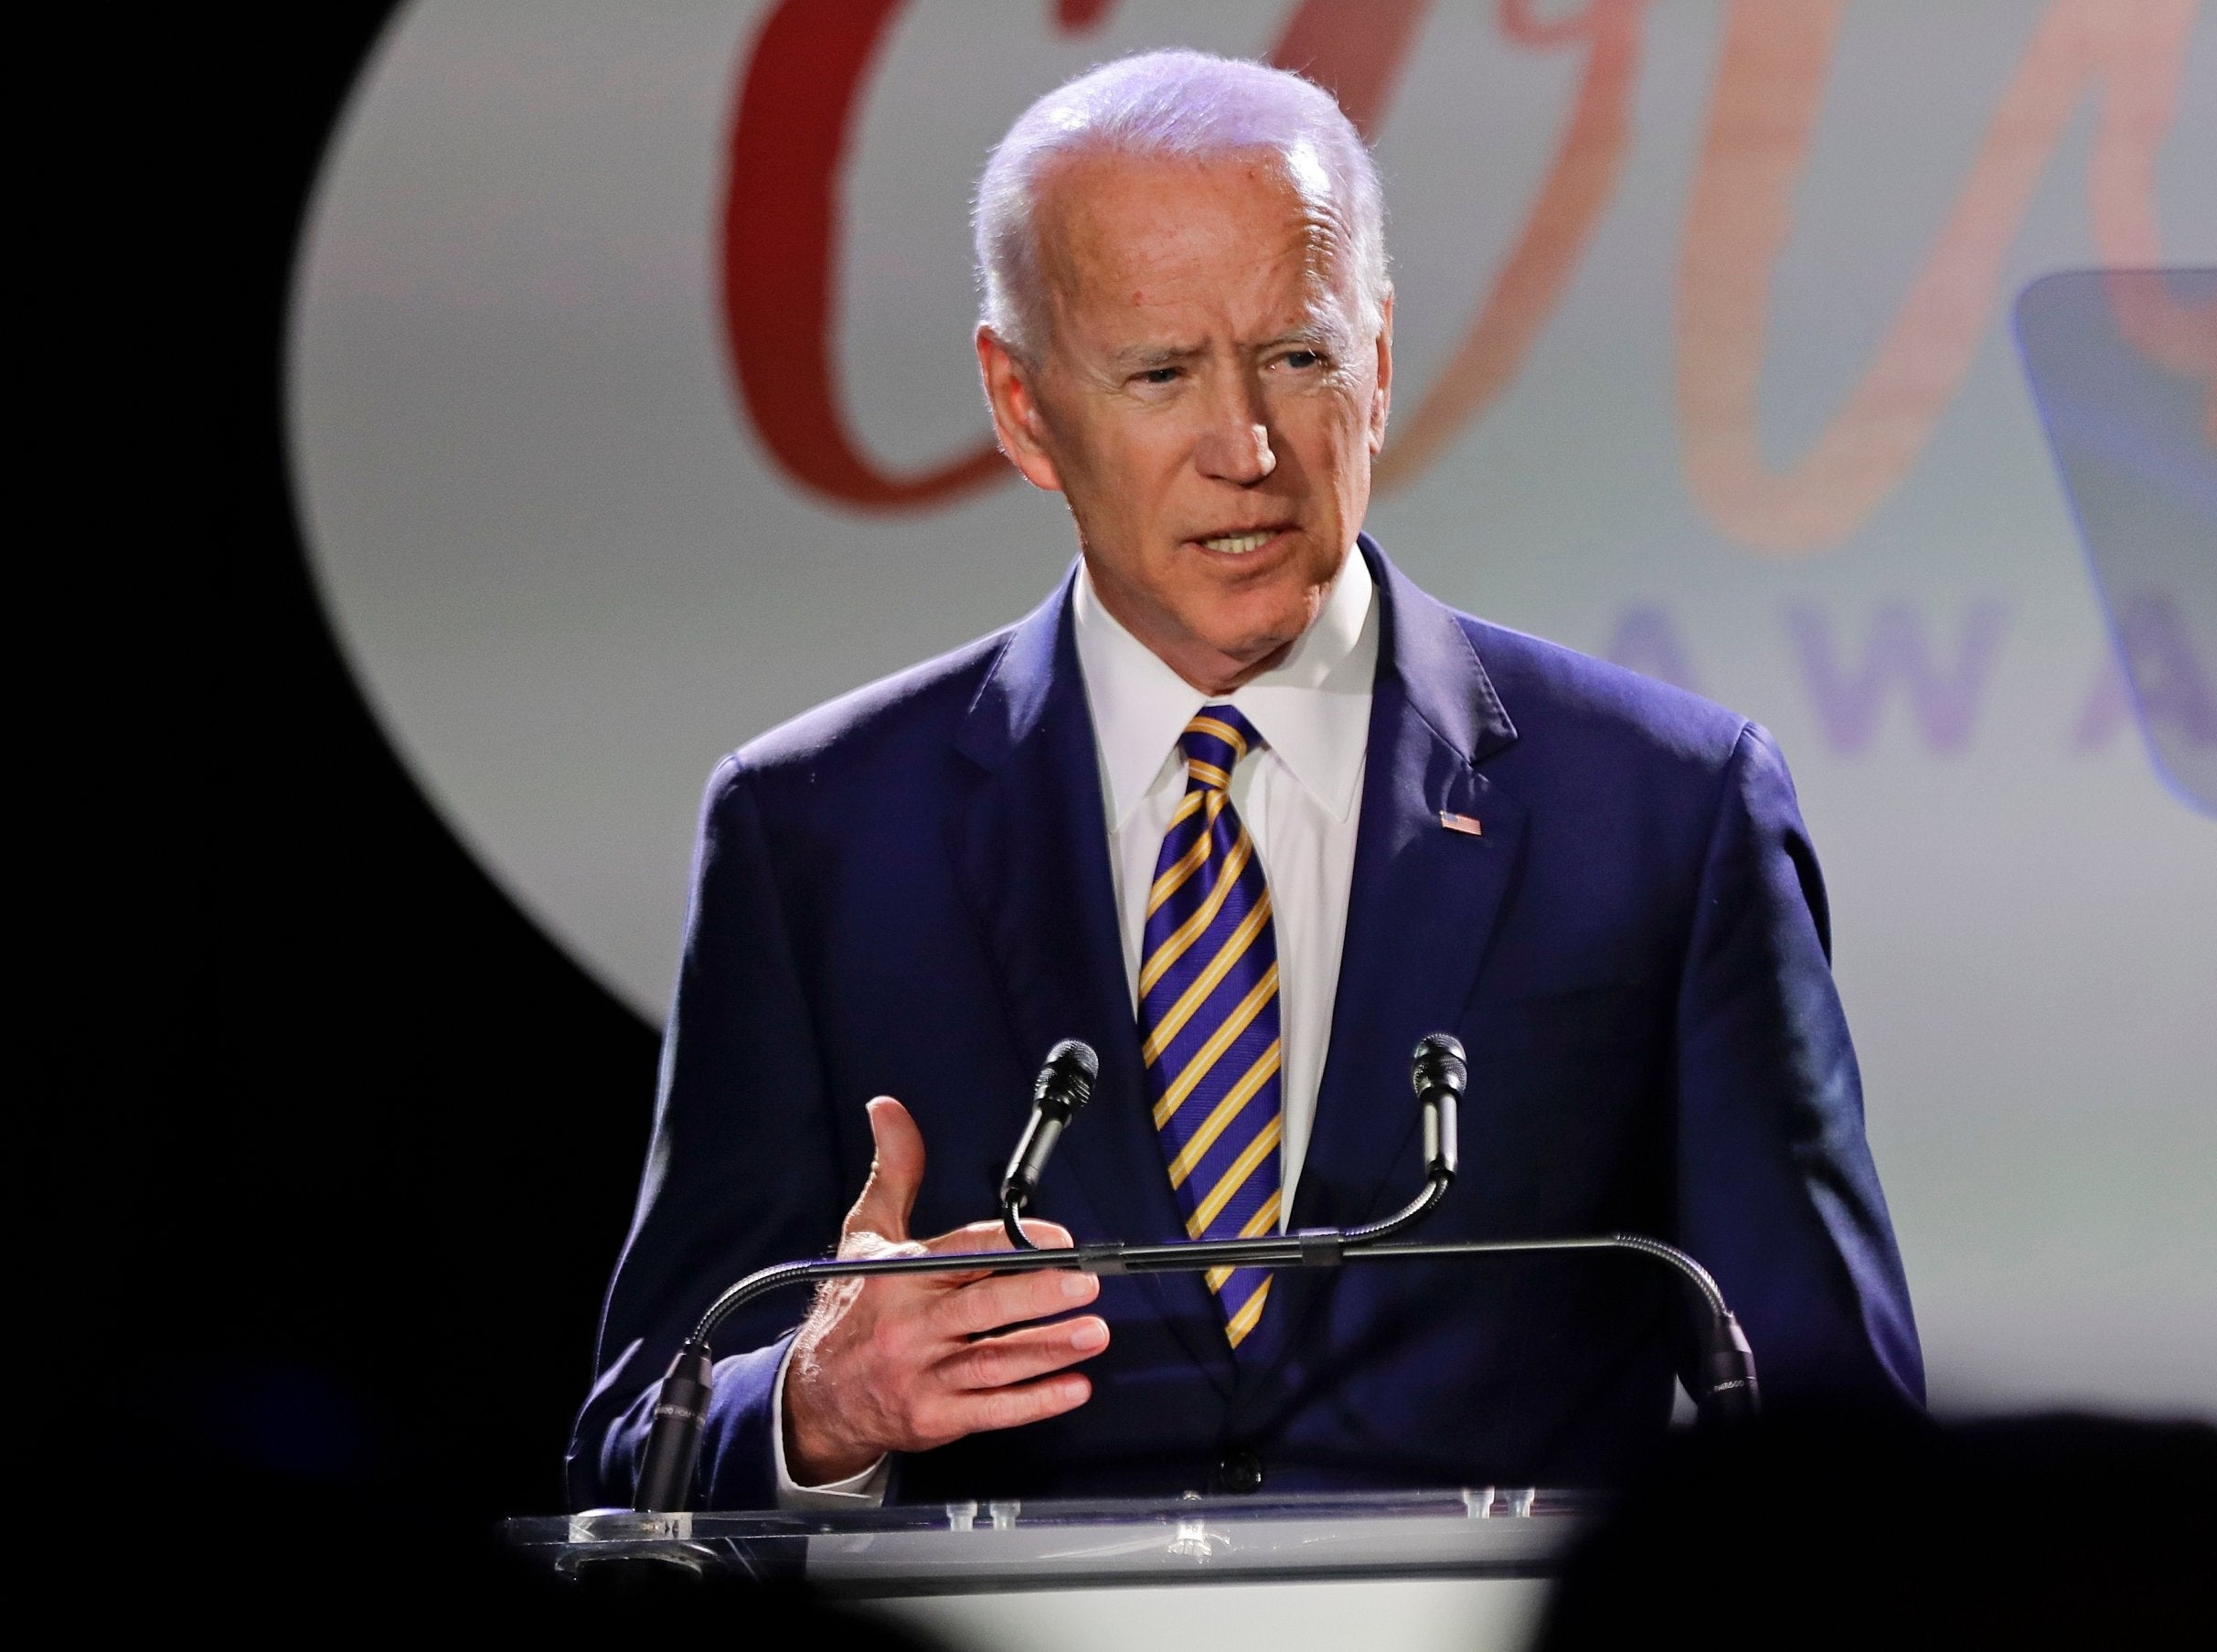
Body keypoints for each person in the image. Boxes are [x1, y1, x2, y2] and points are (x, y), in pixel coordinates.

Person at [568, 49, 1922, 1511]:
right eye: (1160, 374)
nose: (1248, 449)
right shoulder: (818, 837)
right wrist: (819, 1405)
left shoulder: (1665, 813)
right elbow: (641, 1442)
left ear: (1378, 362)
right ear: (1021, 407)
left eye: (1298, 357)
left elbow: (1837, 1429)